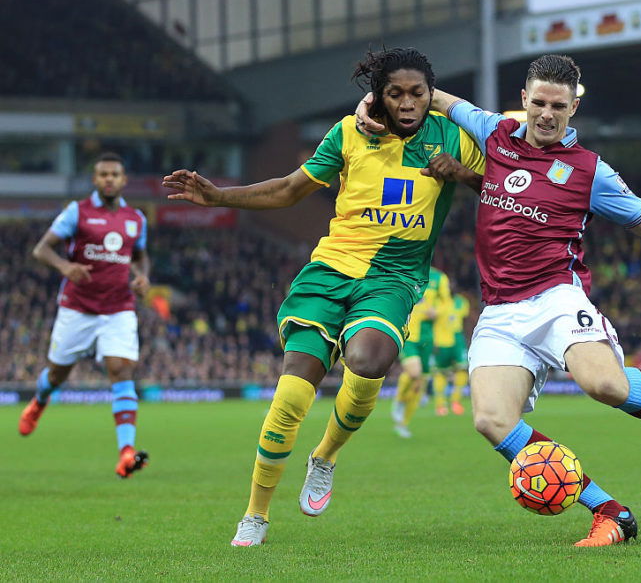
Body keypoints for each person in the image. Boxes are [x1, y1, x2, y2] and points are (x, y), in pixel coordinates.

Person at [357, 54, 641, 547]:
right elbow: (432, 97)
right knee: (491, 420)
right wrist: (371, 103)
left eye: (559, 105)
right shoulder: (493, 133)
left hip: (556, 297)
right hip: (500, 310)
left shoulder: (590, 171)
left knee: (605, 385)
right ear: (523, 100)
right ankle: (611, 512)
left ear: (574, 107)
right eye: (539, 103)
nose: (547, 114)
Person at [163, 47, 484, 547]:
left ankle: (325, 456)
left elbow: (510, 187)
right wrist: (220, 195)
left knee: (369, 361)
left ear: (432, 94)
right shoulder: (350, 132)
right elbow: (290, 189)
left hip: (393, 277)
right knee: (292, 394)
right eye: (395, 93)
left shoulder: (454, 137)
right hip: (331, 270)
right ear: (378, 95)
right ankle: (255, 514)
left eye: (417, 93)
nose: (407, 103)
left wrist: (463, 175)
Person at [18, 152, 151, 479]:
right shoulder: (77, 212)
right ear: (95, 179)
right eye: (103, 174)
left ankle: (126, 452)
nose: (109, 179)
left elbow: (139, 255)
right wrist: (65, 266)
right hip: (77, 308)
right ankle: (39, 401)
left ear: (123, 180)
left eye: (114, 174)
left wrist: (142, 276)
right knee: (57, 374)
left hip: (119, 308)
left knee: (121, 370)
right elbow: (41, 249)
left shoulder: (136, 219)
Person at [391, 265, 449, 437]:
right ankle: (399, 400)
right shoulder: (407, 269)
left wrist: (437, 311)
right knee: (414, 372)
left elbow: (446, 303)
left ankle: (403, 423)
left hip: (427, 337)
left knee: (419, 383)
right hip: (408, 332)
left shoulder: (439, 278)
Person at [431, 288, 470, 416]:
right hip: (440, 341)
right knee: (440, 372)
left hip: (457, 339)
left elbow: (465, 318)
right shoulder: (436, 301)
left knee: (463, 369)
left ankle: (456, 401)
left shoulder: (461, 301)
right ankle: (440, 404)